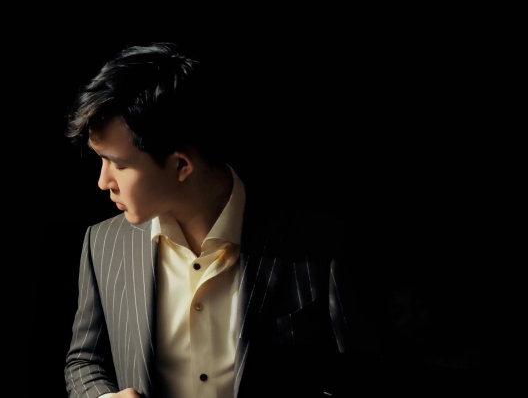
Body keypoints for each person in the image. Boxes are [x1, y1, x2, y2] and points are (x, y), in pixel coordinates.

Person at [64, 41, 377, 398]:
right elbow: (84, 361)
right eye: (101, 160)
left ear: (181, 166)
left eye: (118, 164)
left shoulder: (315, 244)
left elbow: (358, 374)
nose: (103, 181)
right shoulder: (103, 244)